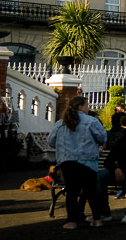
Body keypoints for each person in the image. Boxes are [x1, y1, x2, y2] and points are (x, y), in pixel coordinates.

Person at [47, 95, 107, 229]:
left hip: (67, 161)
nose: (88, 108)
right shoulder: (91, 121)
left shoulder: (60, 123)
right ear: (80, 106)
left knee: (72, 192)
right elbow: (102, 137)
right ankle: (97, 220)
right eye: (87, 105)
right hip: (87, 161)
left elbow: (51, 141)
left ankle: (71, 221)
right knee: (91, 191)